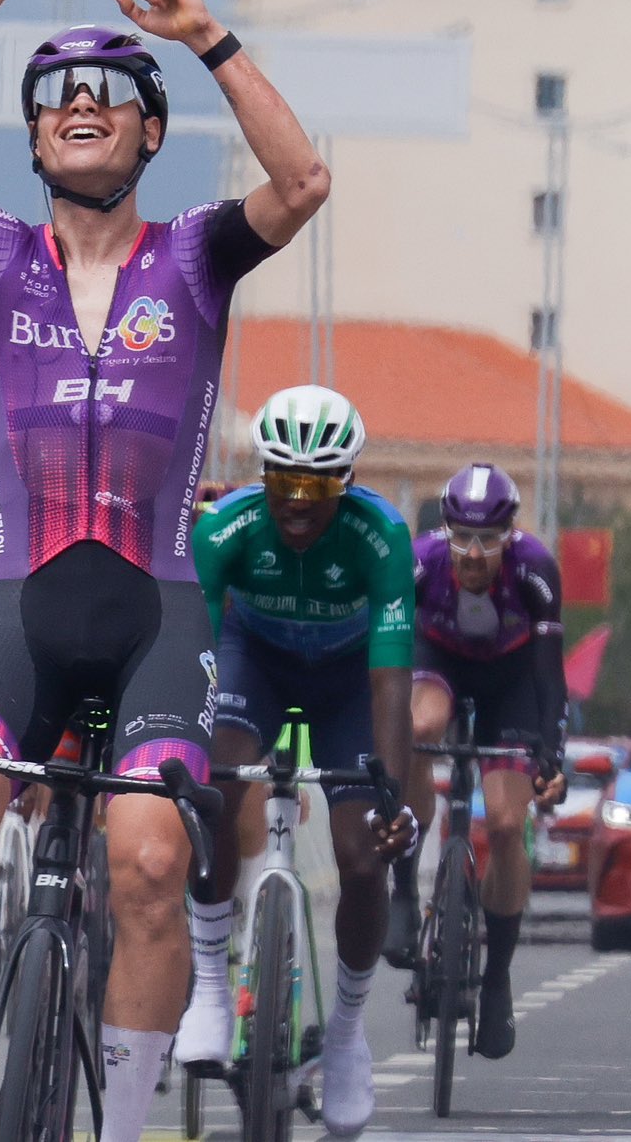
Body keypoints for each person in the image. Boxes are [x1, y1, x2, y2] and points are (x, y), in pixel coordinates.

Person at [0, 0, 347, 1142]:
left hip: (155, 608)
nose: (81, 106)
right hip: (22, 602)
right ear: (35, 131)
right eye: (56, 94)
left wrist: (203, 34)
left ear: (150, 131)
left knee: (153, 861)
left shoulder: (197, 256)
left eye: (111, 94)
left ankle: (115, 1125)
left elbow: (304, 183)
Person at [173, 386, 418, 1137]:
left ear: (348, 481)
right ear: (264, 475)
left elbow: (392, 682)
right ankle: (209, 985)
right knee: (210, 790)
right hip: (257, 667)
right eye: (285, 480)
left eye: (320, 485)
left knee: (361, 855)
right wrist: (180, 751)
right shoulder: (228, 529)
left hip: (348, 684)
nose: (300, 501)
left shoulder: (382, 538)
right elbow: (195, 661)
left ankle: (345, 1036)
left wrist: (391, 796)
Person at [387, 462, 568, 1061]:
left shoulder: (536, 569)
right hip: (440, 659)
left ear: (510, 537)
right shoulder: (421, 563)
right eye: (462, 536)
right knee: (420, 726)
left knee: (509, 825)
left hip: (511, 681)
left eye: (488, 540)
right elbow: (385, 650)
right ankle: (406, 897)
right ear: (445, 529)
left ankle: (496, 980)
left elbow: (548, 673)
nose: (472, 553)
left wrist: (551, 752)